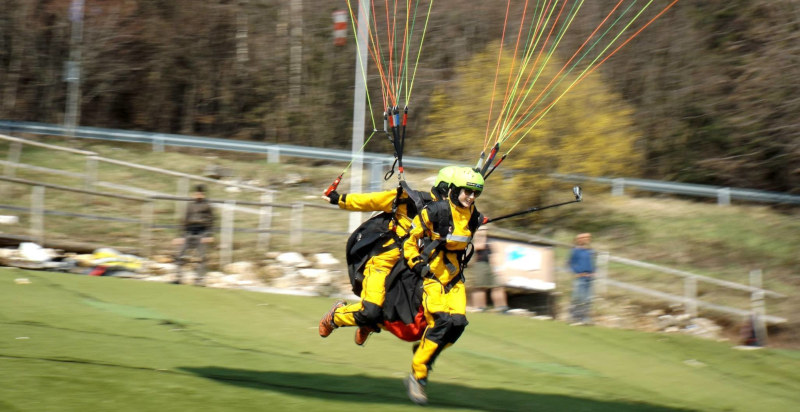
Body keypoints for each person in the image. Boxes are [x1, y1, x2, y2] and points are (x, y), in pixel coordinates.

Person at [318, 166, 458, 346]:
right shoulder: (410, 199)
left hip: (409, 272)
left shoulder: (452, 218)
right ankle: (336, 317)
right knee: (370, 310)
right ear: (448, 189)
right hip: (382, 262)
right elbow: (372, 200)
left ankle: (371, 322)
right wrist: (339, 199)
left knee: (409, 319)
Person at [402, 167, 484, 405]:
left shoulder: (473, 216)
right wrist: (416, 262)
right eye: (466, 191)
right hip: (432, 276)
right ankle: (418, 374)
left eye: (475, 193)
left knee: (457, 325)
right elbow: (411, 238)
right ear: (455, 189)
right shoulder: (435, 211)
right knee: (441, 322)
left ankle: (427, 351)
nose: (470, 197)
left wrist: (478, 221)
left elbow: (465, 232)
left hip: (455, 279)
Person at [174, 184, 215, 285]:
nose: (198, 195)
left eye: (201, 193)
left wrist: (209, 235)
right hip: (188, 232)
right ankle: (178, 278)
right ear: (194, 194)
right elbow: (184, 220)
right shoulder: (190, 205)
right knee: (180, 255)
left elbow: (211, 221)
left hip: (202, 232)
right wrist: (180, 236)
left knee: (201, 257)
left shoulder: (207, 205)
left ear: (203, 194)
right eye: (197, 193)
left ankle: (199, 279)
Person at [466, 226, 508, 312]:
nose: (484, 231)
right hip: (478, 264)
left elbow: (494, 252)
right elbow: (479, 246)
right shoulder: (475, 238)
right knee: (480, 287)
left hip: (490, 264)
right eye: (482, 229)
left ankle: (501, 307)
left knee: (497, 286)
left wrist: (498, 267)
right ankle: (479, 307)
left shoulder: (489, 240)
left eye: (485, 229)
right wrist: (481, 236)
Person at [568, 232, 595, 325]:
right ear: (579, 240)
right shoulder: (576, 251)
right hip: (580, 277)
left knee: (588, 300)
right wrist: (577, 272)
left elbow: (592, 263)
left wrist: (593, 272)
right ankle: (574, 318)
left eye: (587, 238)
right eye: (584, 238)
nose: (586, 239)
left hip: (589, 278)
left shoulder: (589, 251)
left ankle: (585, 319)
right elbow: (570, 263)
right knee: (578, 298)